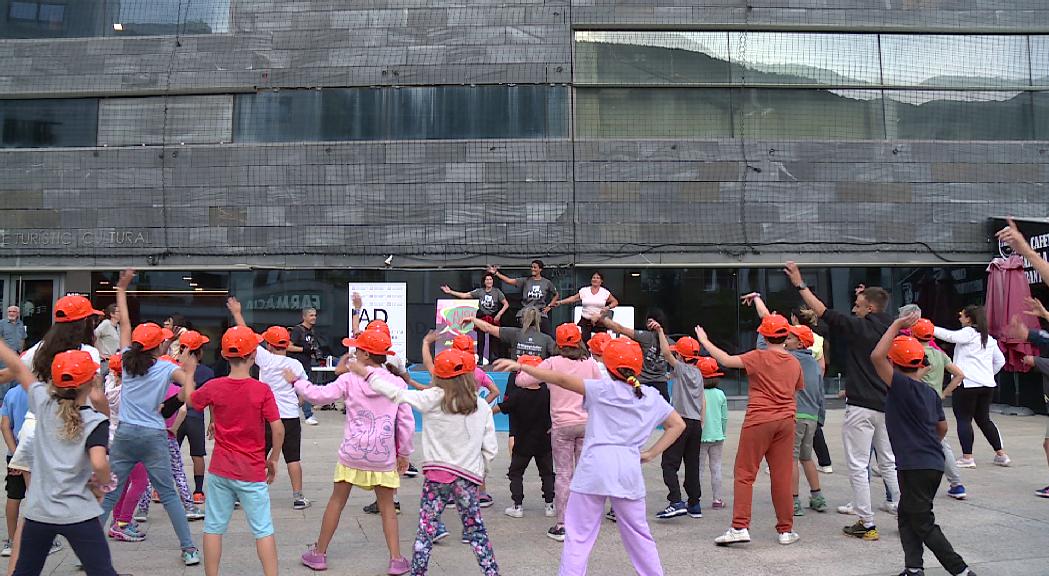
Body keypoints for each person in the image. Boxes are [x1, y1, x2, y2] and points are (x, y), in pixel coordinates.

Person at [493, 339, 685, 576]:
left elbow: (561, 379)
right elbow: (677, 425)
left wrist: (523, 367)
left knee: (579, 536)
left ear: (608, 364)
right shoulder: (651, 396)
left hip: (594, 466)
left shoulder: (600, 389)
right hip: (628, 467)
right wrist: (651, 453)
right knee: (639, 534)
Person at [784, 261, 899, 540]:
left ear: (870, 308)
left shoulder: (860, 328)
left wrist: (800, 283)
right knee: (888, 461)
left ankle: (867, 522)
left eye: (858, 304)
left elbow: (823, 311)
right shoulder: (892, 328)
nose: (854, 309)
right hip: (888, 405)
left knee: (859, 465)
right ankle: (903, 512)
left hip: (861, 406)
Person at [366, 347, 500, 576]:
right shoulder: (481, 406)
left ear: (437, 375)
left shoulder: (432, 398)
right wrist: (480, 470)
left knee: (425, 530)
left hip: (436, 476)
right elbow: (491, 449)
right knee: (476, 530)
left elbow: (397, 394)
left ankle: (418, 571)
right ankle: (491, 571)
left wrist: (368, 375)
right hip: (467, 477)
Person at [291, 328, 414, 575]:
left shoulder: (349, 379)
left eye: (357, 349)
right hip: (383, 455)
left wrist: (297, 382)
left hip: (352, 453)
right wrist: (405, 453)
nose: (354, 352)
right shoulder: (397, 383)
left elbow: (319, 396)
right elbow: (406, 422)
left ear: (366, 354)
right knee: (388, 507)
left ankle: (319, 554)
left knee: (337, 501)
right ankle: (396, 559)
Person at [100, 269, 201, 566]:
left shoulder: (128, 362)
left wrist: (122, 287)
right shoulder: (167, 368)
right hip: (153, 434)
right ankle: (189, 549)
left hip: (126, 433)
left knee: (110, 493)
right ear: (160, 345)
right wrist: (189, 367)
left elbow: (126, 325)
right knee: (168, 495)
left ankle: (89, 549)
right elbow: (188, 396)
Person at [870, 314, 978, 576]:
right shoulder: (930, 392)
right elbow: (942, 428)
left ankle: (961, 570)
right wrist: (928, 446)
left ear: (895, 363)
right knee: (907, 517)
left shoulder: (901, 386)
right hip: (930, 463)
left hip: (915, 466)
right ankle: (914, 568)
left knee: (922, 522)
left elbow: (875, 357)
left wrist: (896, 325)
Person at [0, 343, 118, 575]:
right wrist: (103, 484)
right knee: (102, 571)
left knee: (25, 571)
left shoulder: (42, 402)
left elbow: (16, 365)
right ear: (92, 380)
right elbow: (99, 463)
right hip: (78, 511)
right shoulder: (95, 421)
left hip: (39, 511)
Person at [697, 314, 804, 546]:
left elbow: (725, 360)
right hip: (786, 421)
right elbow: (796, 391)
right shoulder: (795, 362)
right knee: (782, 477)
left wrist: (704, 341)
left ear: (764, 336)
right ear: (786, 336)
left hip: (759, 419)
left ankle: (740, 526)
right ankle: (786, 530)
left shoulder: (758, 356)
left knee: (745, 474)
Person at [184, 325, 282, 576]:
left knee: (214, 527)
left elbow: (190, 400)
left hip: (221, 469)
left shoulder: (215, 386)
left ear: (226, 356)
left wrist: (190, 370)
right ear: (252, 357)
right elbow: (278, 429)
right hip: (251, 471)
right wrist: (273, 458)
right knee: (263, 529)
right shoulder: (262, 390)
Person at [513, 323, 601, 541]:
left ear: (558, 343)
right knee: (584, 473)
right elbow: (600, 391)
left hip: (562, 426)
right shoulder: (590, 363)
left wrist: (522, 366)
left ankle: (562, 524)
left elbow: (522, 381)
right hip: (585, 423)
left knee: (563, 474)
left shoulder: (551, 363)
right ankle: (585, 521)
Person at [227, 297, 312, 510]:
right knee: (293, 458)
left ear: (268, 344)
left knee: (256, 456)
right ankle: (298, 496)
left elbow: (245, 334)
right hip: (290, 416)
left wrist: (237, 312)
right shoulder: (296, 365)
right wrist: (298, 402)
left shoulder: (265, 359)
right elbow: (304, 394)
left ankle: (241, 496)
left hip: (266, 416)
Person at [471, 307, 556, 500]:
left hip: (515, 380)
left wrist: (471, 318)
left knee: (514, 426)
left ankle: (516, 466)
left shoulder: (515, 333)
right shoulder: (547, 340)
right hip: (538, 382)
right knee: (540, 421)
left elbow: (489, 328)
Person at [933, 305, 1009, 468]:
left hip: (967, 384)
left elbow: (949, 336)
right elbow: (1000, 361)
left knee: (964, 419)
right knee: (984, 419)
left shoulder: (968, 333)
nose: (959, 318)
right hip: (987, 384)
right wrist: (988, 374)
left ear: (968, 318)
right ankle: (1001, 454)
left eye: (961, 315)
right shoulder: (988, 338)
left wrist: (927, 327)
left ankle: (968, 457)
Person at [650, 321, 705, 520]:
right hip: (695, 424)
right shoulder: (698, 373)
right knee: (692, 465)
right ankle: (694, 503)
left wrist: (660, 331)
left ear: (680, 356)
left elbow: (665, 354)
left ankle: (675, 501)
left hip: (680, 423)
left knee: (669, 464)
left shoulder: (682, 369)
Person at [911, 319, 968, 500]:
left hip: (917, 402)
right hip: (935, 401)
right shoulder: (939, 354)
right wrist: (944, 393)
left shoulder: (914, 353)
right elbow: (959, 375)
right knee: (940, 442)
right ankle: (956, 483)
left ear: (913, 334)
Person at [598, 310, 672, 402]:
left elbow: (620, 329)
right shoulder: (671, 343)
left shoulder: (645, 336)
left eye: (649, 322)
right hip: (661, 387)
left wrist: (603, 318)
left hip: (642, 385)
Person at [441, 273, 510, 362]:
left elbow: (506, 304)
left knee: (494, 339)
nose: (489, 281)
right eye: (487, 280)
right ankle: (480, 359)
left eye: (491, 279)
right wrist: (450, 291)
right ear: (484, 282)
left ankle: (494, 359)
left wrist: (499, 314)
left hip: (493, 317)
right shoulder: (480, 291)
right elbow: (465, 295)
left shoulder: (497, 292)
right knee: (481, 339)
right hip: (482, 316)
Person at [0, 360, 28, 557]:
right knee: (38, 497)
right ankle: (46, 539)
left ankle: (11, 540)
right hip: (37, 455)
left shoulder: (11, 394)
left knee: (14, 496)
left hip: (15, 454)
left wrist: (14, 452)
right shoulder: (43, 393)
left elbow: (4, 425)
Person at [487, 260, 560, 336]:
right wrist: (496, 273)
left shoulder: (546, 282)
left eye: (535, 267)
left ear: (540, 269)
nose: (532, 269)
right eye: (532, 267)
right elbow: (509, 281)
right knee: (523, 335)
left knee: (548, 335)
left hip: (540, 313)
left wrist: (549, 306)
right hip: (526, 313)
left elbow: (556, 294)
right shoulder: (526, 280)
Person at [553, 272, 619, 343]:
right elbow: (573, 298)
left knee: (601, 340)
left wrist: (608, 307)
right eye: (593, 278)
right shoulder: (584, 290)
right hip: (586, 320)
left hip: (599, 320)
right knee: (584, 341)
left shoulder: (605, 292)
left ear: (601, 281)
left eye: (597, 278)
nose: (595, 280)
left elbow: (615, 302)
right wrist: (560, 302)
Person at [698, 358, 728, 509]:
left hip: (700, 436)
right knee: (716, 468)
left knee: (698, 469)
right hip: (717, 436)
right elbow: (724, 417)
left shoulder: (697, 394)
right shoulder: (721, 394)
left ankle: (695, 498)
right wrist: (722, 432)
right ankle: (717, 499)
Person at [289, 307, 321, 426]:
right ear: (304, 317)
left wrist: (314, 353)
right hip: (297, 364)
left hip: (307, 364)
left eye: (315, 315)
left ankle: (304, 413)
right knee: (299, 390)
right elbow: (288, 346)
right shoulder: (298, 330)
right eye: (311, 315)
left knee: (305, 389)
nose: (314, 318)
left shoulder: (312, 331)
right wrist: (304, 349)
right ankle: (308, 414)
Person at [0, 306, 26, 400]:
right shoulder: (2, 323)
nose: (11, 313)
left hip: (17, 356)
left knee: (15, 378)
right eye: (9, 311)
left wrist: (21, 351)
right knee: (5, 380)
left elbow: (23, 338)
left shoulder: (20, 324)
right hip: (5, 357)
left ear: (18, 313)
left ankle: (12, 401)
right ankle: (3, 404)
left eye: (14, 311)